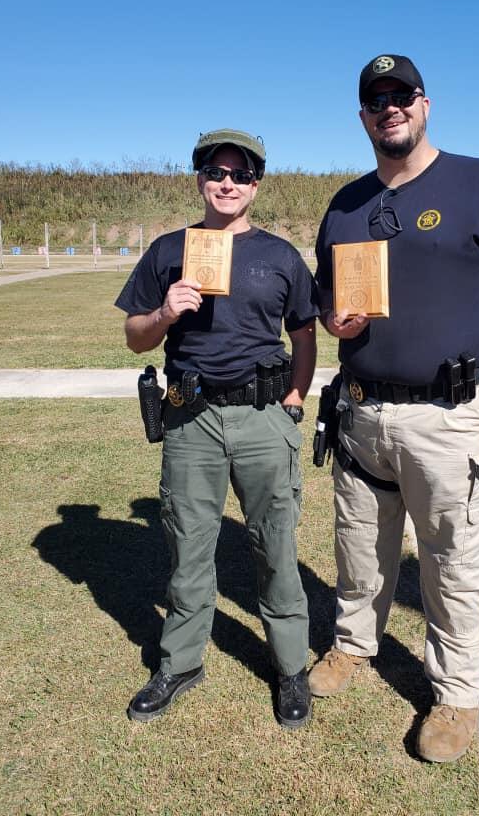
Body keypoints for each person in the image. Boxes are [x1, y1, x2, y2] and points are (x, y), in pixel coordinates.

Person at [310, 55, 479, 762]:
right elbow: (326, 301)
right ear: (362, 116)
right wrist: (335, 323)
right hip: (362, 411)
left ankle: (454, 695)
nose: (389, 107)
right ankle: (354, 646)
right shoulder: (345, 204)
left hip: (451, 416)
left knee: (451, 561)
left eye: (401, 95)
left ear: (425, 105)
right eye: (375, 99)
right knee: (359, 546)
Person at [115, 129, 318, 729]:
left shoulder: (281, 255)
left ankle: (289, 669)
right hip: (190, 419)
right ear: (199, 178)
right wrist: (164, 312)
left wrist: (295, 398)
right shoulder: (168, 251)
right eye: (216, 171)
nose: (227, 183)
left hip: (262, 417)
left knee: (275, 544)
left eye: (241, 173)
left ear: (256, 183)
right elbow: (134, 337)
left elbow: (304, 334)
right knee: (189, 545)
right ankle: (179, 663)